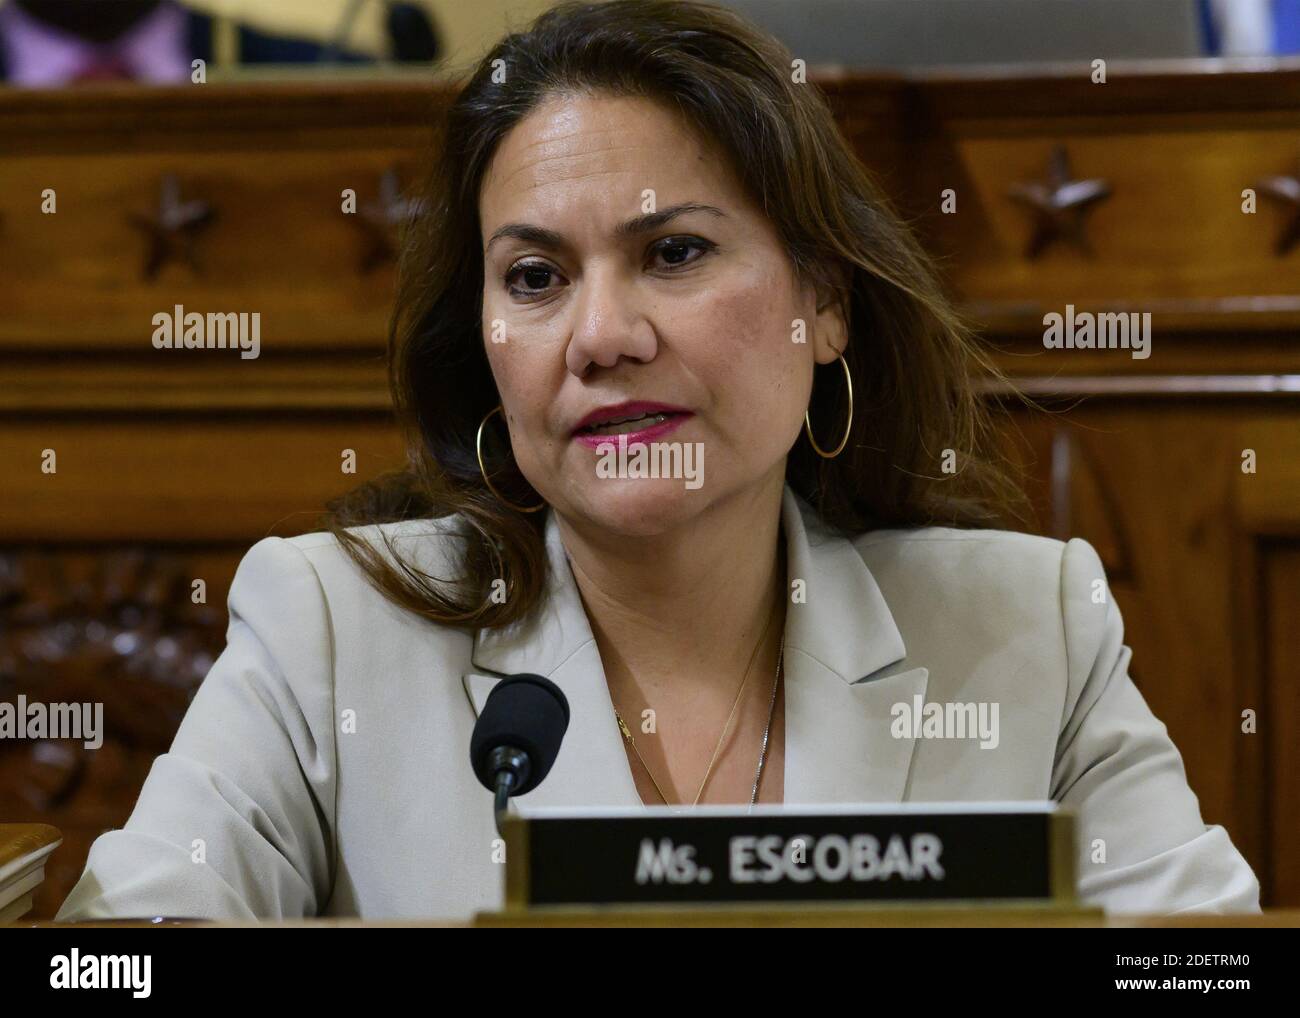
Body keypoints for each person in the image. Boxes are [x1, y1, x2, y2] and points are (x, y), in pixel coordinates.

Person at [57, 0, 1259, 921]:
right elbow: (114, 956)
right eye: (534, 277)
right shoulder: (332, 629)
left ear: (823, 300)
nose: (600, 336)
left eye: (674, 252)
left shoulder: (1022, 626)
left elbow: (1200, 962)